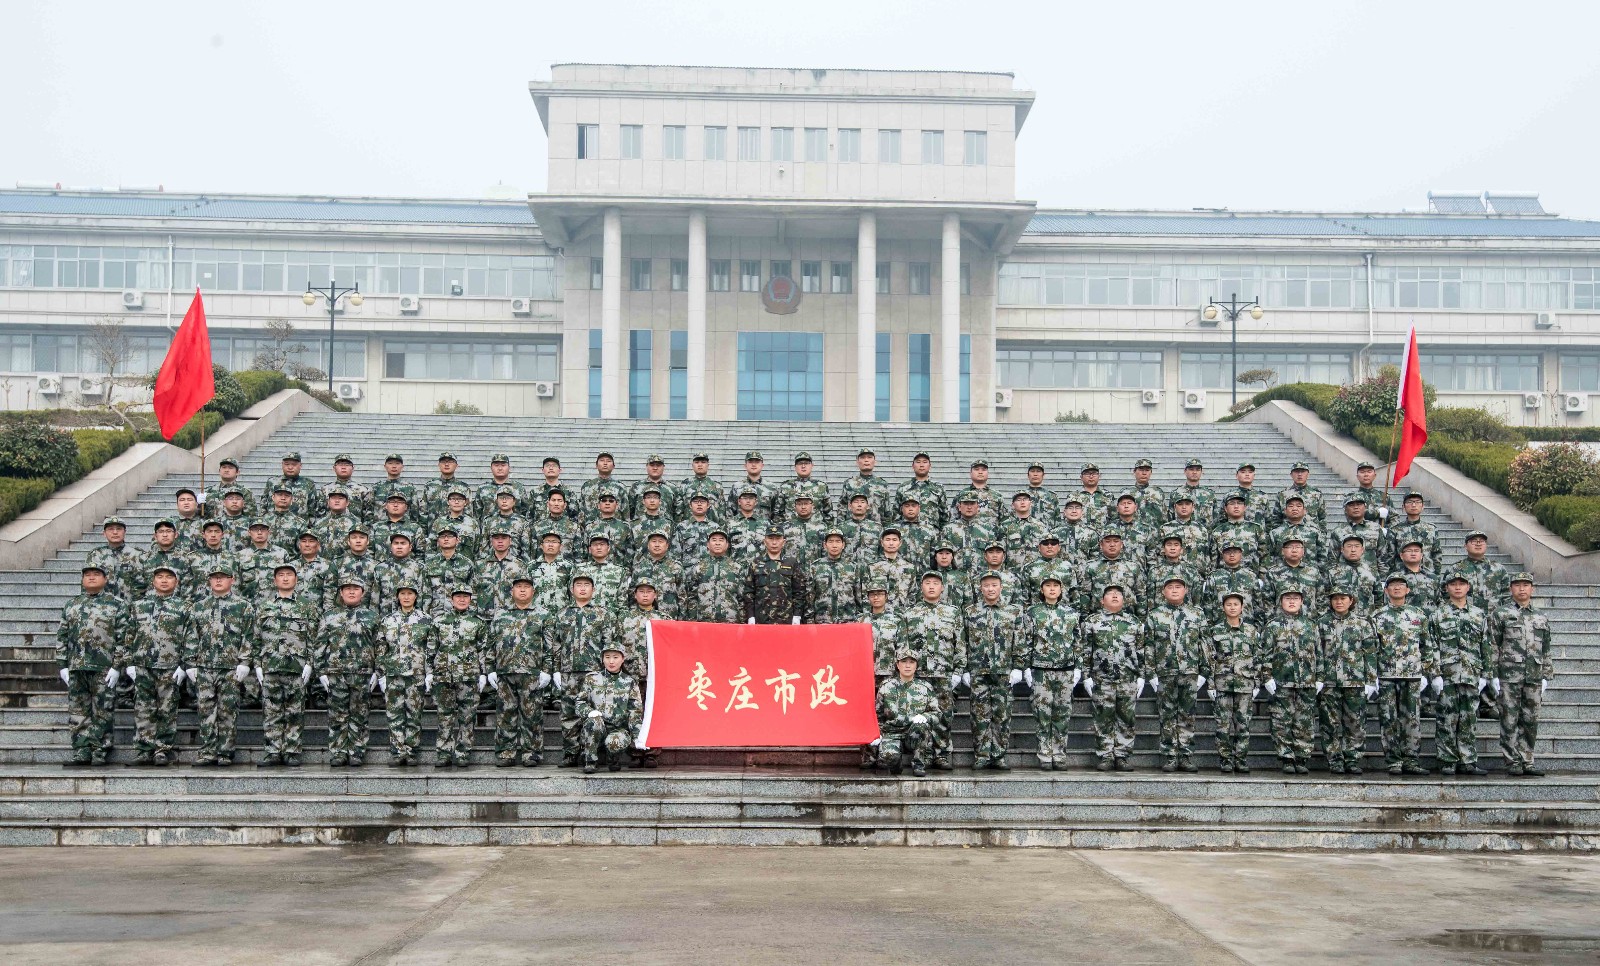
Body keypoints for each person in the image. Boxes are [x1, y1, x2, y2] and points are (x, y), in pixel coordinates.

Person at [57, 563, 130, 767]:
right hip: (77, 666)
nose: (91, 577)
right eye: (87, 574)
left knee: (103, 710)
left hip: (104, 668)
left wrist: (117, 666)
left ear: (105, 579)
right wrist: (62, 664)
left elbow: (124, 638)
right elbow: (62, 636)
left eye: (96, 574)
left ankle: (100, 750)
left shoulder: (117, 605)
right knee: (78, 711)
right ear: (82, 580)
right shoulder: (71, 605)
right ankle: (81, 749)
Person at [190, 563, 258, 767]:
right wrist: (190, 663)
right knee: (205, 710)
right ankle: (208, 751)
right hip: (204, 667)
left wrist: (245, 661)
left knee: (228, 711)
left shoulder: (243, 606)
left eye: (223, 576)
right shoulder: (198, 607)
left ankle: (225, 752)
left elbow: (249, 636)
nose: (218, 580)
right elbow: (191, 636)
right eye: (214, 577)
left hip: (230, 668)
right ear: (209, 580)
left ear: (232, 580)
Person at [547, 572, 618, 766]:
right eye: (579, 585)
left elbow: (608, 644)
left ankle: (592, 752)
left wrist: (606, 670)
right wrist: (556, 669)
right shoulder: (562, 614)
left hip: (594, 672)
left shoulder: (603, 614)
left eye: (587, 585)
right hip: (568, 671)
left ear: (593, 590)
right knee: (569, 713)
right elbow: (556, 644)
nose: (583, 588)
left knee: (595, 712)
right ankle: (571, 752)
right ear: (572, 589)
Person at [122, 563, 189, 766]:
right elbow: (128, 635)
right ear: (153, 581)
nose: (164, 580)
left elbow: (190, 638)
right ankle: (144, 749)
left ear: (176, 582)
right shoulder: (138, 606)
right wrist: (129, 662)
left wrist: (184, 664)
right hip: (143, 665)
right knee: (143, 708)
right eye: (160, 577)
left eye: (169, 577)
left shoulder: (185, 607)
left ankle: (162, 749)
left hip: (170, 666)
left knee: (167, 710)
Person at [252, 564, 317, 766]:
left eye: (289, 575)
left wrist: (310, 663)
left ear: (296, 579)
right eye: (281, 575)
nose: (285, 578)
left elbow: (314, 638)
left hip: (297, 667)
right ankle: (273, 751)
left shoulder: (307, 606)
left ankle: (291, 751)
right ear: (275, 580)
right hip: (270, 666)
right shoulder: (264, 606)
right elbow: (255, 638)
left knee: (295, 712)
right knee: (271, 712)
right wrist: (257, 664)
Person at [1371, 574, 1436, 776]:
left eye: (1401, 585)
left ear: (1407, 590)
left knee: (1412, 718)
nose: (1397, 588)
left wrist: (1425, 670)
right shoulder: (1377, 616)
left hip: (1412, 674)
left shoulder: (1418, 615)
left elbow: (1427, 645)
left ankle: (1411, 759)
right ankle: (1393, 761)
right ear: (1386, 590)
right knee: (1388, 718)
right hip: (1386, 674)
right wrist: (1373, 675)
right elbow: (1372, 647)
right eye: (1392, 585)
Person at [1430, 573, 1493, 776]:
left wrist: (1486, 674)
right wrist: (1434, 674)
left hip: (1471, 673)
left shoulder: (1479, 614)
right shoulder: (1438, 614)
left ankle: (1468, 760)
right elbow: (1432, 645)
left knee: (1469, 719)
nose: (1457, 587)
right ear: (1446, 588)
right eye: (1453, 584)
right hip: (1447, 674)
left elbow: (1486, 644)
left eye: (1462, 584)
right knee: (1446, 718)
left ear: (1468, 587)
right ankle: (1447, 760)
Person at [964, 570, 1028, 770]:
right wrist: (964, 668)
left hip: (1003, 671)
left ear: (1001, 587)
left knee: (1002, 715)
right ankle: (982, 755)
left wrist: (1018, 667)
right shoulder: (970, 611)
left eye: (994, 585)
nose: (990, 589)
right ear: (980, 588)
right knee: (979, 716)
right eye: (986, 585)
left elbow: (1020, 640)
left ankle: (999, 756)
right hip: (978, 671)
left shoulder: (1013, 611)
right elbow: (963, 641)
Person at [900, 571, 963, 771]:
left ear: (942, 587)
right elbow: (903, 644)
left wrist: (959, 670)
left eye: (936, 583)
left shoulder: (952, 613)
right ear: (921, 587)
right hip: (919, 674)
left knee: (944, 715)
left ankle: (941, 755)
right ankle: (923, 755)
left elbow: (960, 643)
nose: (932, 586)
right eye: (927, 583)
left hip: (943, 673)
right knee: (920, 715)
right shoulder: (911, 613)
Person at [1144, 575, 1207, 773]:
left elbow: (1204, 643)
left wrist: (1204, 671)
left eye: (1178, 586)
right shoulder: (1155, 615)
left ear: (1185, 590)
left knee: (1187, 715)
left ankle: (1186, 756)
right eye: (1170, 587)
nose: (1174, 589)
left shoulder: (1196, 614)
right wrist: (1150, 672)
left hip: (1190, 671)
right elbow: (1149, 645)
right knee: (1167, 716)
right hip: (1165, 672)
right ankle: (1170, 756)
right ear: (1163, 591)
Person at [318, 576, 381, 768]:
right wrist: (321, 671)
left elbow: (380, 646)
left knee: (360, 714)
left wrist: (378, 671)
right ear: (341, 592)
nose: (351, 592)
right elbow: (320, 644)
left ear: (363, 592)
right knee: (337, 715)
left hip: (362, 673)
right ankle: (338, 752)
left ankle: (356, 752)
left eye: (355, 588)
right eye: (347, 589)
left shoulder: (372, 617)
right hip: (336, 673)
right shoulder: (329, 616)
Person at [1081, 584, 1145, 772]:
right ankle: (1106, 756)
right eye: (1110, 594)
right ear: (1102, 600)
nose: (1115, 596)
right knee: (1103, 718)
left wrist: (1142, 675)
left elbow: (1142, 651)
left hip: (1127, 678)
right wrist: (1085, 675)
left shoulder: (1134, 622)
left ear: (1124, 600)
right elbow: (1085, 650)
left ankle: (1122, 756)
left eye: (1118, 594)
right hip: (1102, 678)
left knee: (1126, 718)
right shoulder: (1092, 621)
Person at [1494, 572, 1552, 777]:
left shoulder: (1541, 617)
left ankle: (1527, 760)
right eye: (1517, 585)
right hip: (1509, 675)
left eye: (1526, 585)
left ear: (1532, 589)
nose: (1521, 589)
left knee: (1530, 720)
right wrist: (1492, 674)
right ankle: (1512, 761)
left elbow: (1546, 648)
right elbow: (1493, 644)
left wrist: (1546, 675)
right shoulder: (1501, 614)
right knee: (1509, 719)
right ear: (1511, 589)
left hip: (1534, 675)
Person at [489, 574, 550, 767]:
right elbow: (491, 643)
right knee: (505, 714)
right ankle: (506, 753)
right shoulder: (500, 614)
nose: (522, 590)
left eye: (526, 586)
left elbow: (550, 645)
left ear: (533, 591)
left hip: (532, 673)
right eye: (518, 586)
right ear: (512, 590)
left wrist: (547, 670)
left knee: (532, 715)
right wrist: (490, 669)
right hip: (505, 671)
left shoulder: (543, 614)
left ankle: (531, 753)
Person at [1318, 580, 1377, 775]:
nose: (1339, 602)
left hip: (1355, 680)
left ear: (1351, 600)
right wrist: (1318, 677)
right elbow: (1316, 652)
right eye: (1335, 598)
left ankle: (1352, 759)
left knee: (1355, 722)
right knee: (1330, 723)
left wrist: (1371, 680)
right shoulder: (1322, 623)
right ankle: (1334, 759)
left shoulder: (1362, 623)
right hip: (1329, 681)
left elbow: (1370, 653)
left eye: (1343, 598)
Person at [376, 580, 438, 767]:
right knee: (394, 715)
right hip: (393, 674)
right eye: (402, 593)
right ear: (397, 596)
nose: (406, 597)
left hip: (416, 675)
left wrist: (430, 673)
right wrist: (381, 673)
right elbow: (381, 648)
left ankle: (411, 751)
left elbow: (431, 648)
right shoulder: (388, 620)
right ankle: (398, 752)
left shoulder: (426, 620)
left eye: (410, 593)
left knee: (414, 715)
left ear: (416, 596)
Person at [1260, 589, 1320, 774]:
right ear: (1281, 601)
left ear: (1301, 601)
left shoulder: (1311, 625)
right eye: (1288, 598)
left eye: (1295, 598)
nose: (1292, 601)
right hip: (1281, 682)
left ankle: (1301, 758)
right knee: (1281, 721)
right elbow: (1265, 653)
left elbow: (1319, 654)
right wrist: (1267, 677)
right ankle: (1286, 757)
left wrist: (1320, 677)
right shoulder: (1272, 626)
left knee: (1304, 722)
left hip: (1306, 681)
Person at [1026, 575, 1082, 770]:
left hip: (1065, 670)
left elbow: (1077, 642)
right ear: (1042, 590)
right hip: (1041, 670)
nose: (1052, 589)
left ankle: (1059, 755)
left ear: (1061, 589)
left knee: (1062, 715)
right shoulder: (1032, 612)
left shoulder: (1071, 613)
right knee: (1042, 715)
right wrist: (1026, 667)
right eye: (1048, 585)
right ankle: (1044, 755)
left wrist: (1078, 666)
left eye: (1055, 586)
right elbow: (1028, 640)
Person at [1203, 590, 1261, 774]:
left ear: (1242, 607)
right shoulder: (1215, 631)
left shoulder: (1251, 631)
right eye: (1229, 604)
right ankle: (1226, 760)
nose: (1232, 607)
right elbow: (1209, 659)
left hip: (1245, 684)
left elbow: (1258, 658)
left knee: (1243, 725)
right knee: (1223, 725)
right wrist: (1211, 684)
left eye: (1236, 604)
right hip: (1222, 684)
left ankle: (1241, 759)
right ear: (1223, 608)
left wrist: (1257, 682)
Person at [431, 585, 488, 768]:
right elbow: (432, 648)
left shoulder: (478, 622)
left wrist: (484, 673)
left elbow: (483, 650)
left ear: (470, 599)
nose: (462, 599)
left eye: (465, 596)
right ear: (452, 599)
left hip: (469, 677)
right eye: (458, 596)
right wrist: (429, 672)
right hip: (444, 676)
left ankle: (463, 753)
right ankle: (444, 753)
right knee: (444, 717)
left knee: (467, 717)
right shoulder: (439, 621)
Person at [577, 644, 643, 774]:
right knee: (593, 721)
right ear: (602, 659)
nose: (611, 661)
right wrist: (589, 712)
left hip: (618, 729)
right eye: (607, 657)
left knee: (614, 742)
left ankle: (613, 758)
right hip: (597, 726)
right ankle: (590, 761)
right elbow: (580, 703)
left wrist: (638, 736)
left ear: (622, 659)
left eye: (615, 657)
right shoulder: (592, 679)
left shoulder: (629, 682)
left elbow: (635, 711)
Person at [875, 651, 939, 777]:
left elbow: (937, 714)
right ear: (897, 665)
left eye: (912, 662)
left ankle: (919, 764)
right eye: (904, 662)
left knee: (922, 726)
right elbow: (878, 714)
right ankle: (896, 764)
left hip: (914, 733)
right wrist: (878, 733)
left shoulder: (925, 688)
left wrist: (925, 717)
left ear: (916, 665)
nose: (908, 665)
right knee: (888, 756)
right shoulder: (886, 687)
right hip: (892, 733)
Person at [744, 527, 807, 625]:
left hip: (786, 619)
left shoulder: (791, 562)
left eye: (778, 539)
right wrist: (750, 616)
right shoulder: (756, 563)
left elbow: (799, 591)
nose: (774, 543)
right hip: (761, 619)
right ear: (765, 541)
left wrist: (797, 615)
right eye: (770, 538)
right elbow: (749, 592)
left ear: (784, 542)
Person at [87, 516, 144, 600]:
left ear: (125, 532)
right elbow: (88, 583)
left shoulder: (137, 554)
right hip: (103, 605)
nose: (115, 532)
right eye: (110, 529)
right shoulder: (95, 555)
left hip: (130, 604)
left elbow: (142, 584)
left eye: (119, 529)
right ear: (104, 533)